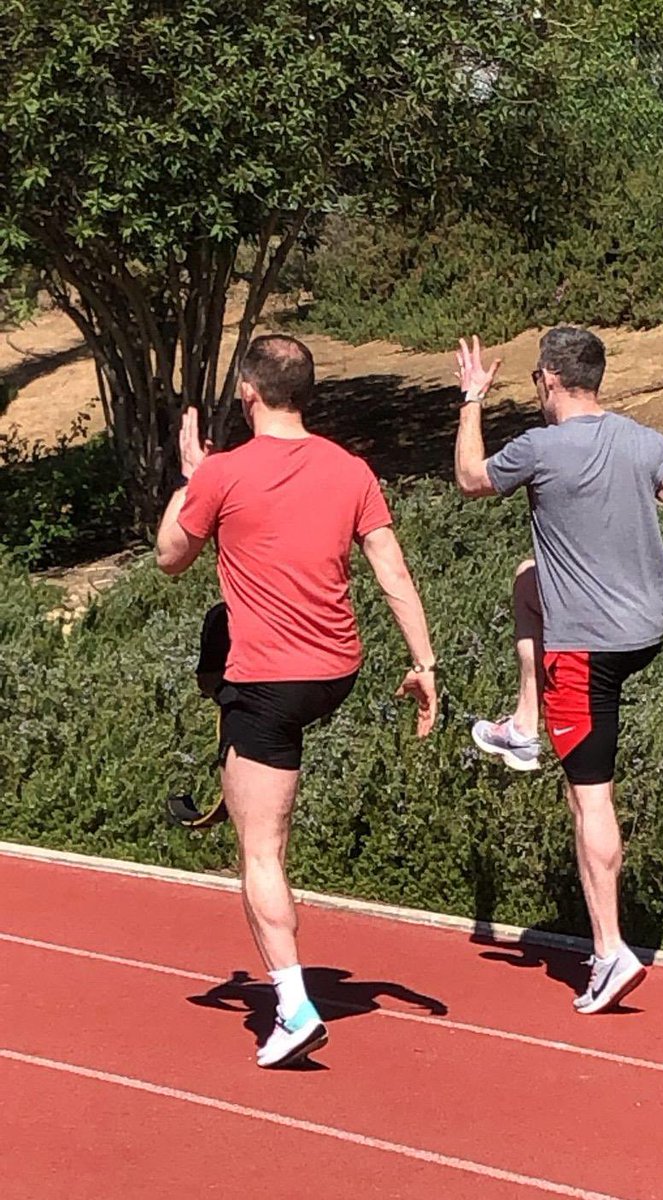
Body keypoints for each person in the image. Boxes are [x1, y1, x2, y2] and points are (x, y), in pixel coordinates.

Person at [155, 335, 438, 1067]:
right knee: (257, 737)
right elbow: (392, 568)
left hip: (270, 683)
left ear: (248, 392)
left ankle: (293, 1002)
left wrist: (190, 479)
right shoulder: (350, 469)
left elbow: (169, 559)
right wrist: (424, 663)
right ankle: (238, 752)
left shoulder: (223, 473)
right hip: (334, 673)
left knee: (261, 851)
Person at [453, 328, 663, 1015]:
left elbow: (469, 479)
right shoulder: (642, 441)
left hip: (584, 650)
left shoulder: (541, 448)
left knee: (589, 799)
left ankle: (609, 950)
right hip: (645, 632)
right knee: (528, 580)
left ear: (549, 380)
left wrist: (470, 400)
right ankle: (523, 722)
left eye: (533, 380)